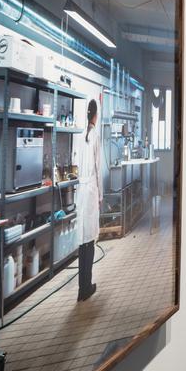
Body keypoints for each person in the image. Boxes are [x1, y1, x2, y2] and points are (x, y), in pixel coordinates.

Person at [77, 99, 101, 301]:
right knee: (90, 240)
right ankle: (87, 287)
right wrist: (100, 196)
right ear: (95, 116)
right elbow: (98, 168)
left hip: (81, 192)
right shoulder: (94, 136)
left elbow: (79, 165)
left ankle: (80, 289)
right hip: (91, 190)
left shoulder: (80, 137)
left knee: (82, 241)